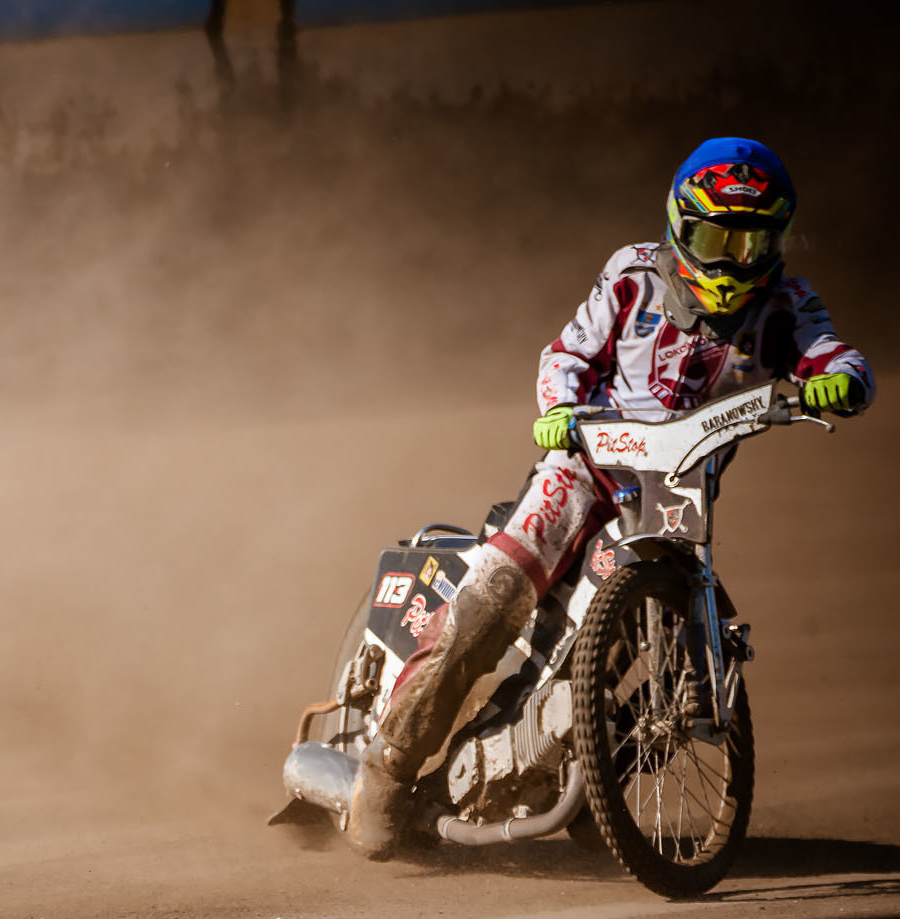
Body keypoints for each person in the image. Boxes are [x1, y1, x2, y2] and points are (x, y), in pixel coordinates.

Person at [348, 137, 874, 857]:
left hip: (678, 497)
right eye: (714, 238)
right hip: (583, 471)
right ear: (679, 226)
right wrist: (559, 407)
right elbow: (566, 353)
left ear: (777, 240)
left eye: (752, 243)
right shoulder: (630, 274)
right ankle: (384, 772)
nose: (731, 260)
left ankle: (582, 775)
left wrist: (841, 378)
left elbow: (834, 353)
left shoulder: (785, 305)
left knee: (635, 645)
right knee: (487, 607)